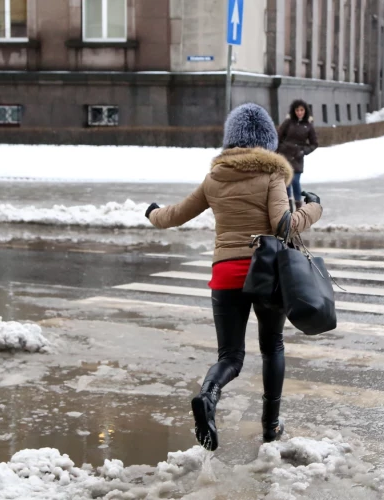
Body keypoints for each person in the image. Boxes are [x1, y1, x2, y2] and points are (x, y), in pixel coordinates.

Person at [145, 103, 323, 451]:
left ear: (231, 140)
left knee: (230, 357)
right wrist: (312, 209)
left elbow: (175, 215)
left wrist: (152, 213)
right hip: (266, 274)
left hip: (225, 275)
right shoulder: (272, 176)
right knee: (272, 346)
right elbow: (284, 226)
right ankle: (270, 427)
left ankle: (208, 396)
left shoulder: (215, 178)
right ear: (268, 141)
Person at [276, 100, 319, 208]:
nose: (299, 112)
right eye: (297, 110)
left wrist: (303, 151)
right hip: (285, 156)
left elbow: (314, 144)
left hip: (297, 157)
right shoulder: (288, 122)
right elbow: (278, 136)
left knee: (295, 181)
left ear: (305, 111)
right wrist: (279, 149)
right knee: (286, 182)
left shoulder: (308, 126)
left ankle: (299, 206)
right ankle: (288, 207)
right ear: (293, 111)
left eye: (301, 110)